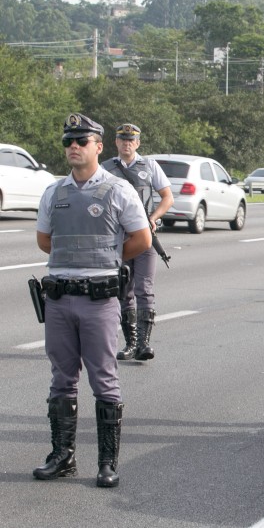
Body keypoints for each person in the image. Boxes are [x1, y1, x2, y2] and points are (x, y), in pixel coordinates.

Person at [33, 113, 151, 487]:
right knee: (61, 381)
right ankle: (62, 457)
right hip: (60, 298)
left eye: (81, 141)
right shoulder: (54, 192)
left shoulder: (118, 190)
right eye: (68, 140)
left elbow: (142, 240)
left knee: (104, 381)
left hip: (99, 300)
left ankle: (106, 462)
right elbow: (45, 241)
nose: (73, 146)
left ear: (99, 147)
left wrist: (106, 262)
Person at [102, 123, 174, 362]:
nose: (127, 143)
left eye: (131, 140)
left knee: (145, 289)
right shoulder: (106, 168)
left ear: (138, 143)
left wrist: (154, 218)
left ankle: (144, 343)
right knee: (124, 290)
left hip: (144, 236)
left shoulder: (149, 166)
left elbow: (167, 197)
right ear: (116, 142)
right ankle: (130, 343)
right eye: (122, 139)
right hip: (118, 238)